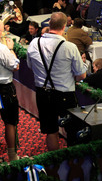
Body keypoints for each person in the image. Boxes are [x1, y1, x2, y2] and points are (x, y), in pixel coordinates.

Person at [27, 12, 87, 151]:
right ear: (65, 26)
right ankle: (73, 162)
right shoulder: (70, 47)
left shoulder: (34, 43)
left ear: (49, 24)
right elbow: (81, 75)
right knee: (72, 130)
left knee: (51, 130)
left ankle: (55, 164)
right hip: (64, 95)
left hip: (42, 93)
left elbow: (30, 66)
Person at [0, 22, 20, 161]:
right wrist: (11, 49)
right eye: (1, 30)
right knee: (10, 122)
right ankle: (12, 155)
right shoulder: (1, 48)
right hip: (4, 88)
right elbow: (15, 66)